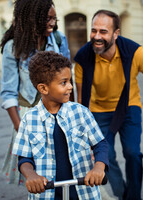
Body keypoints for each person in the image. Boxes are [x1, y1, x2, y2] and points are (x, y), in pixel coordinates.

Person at [74, 9, 143, 199]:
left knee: (132, 152)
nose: (97, 36)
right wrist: (82, 128)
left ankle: (134, 196)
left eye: (103, 31)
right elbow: (81, 98)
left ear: (116, 34)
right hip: (98, 110)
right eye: (94, 30)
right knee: (105, 157)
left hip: (129, 106)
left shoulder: (134, 52)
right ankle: (122, 194)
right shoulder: (82, 58)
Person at [12, 51, 109, 200]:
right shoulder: (29, 120)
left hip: (82, 192)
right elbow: (24, 158)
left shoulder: (81, 112)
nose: (70, 87)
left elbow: (100, 144)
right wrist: (31, 175)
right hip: (48, 193)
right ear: (43, 88)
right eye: (64, 83)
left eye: (70, 81)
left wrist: (99, 167)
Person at [0, 0, 70, 185]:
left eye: (54, 19)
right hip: (28, 116)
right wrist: (20, 127)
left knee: (61, 169)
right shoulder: (13, 47)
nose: (52, 23)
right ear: (33, 18)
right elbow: (8, 92)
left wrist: (71, 113)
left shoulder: (58, 39)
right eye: (47, 19)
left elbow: (66, 80)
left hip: (57, 113)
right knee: (36, 175)